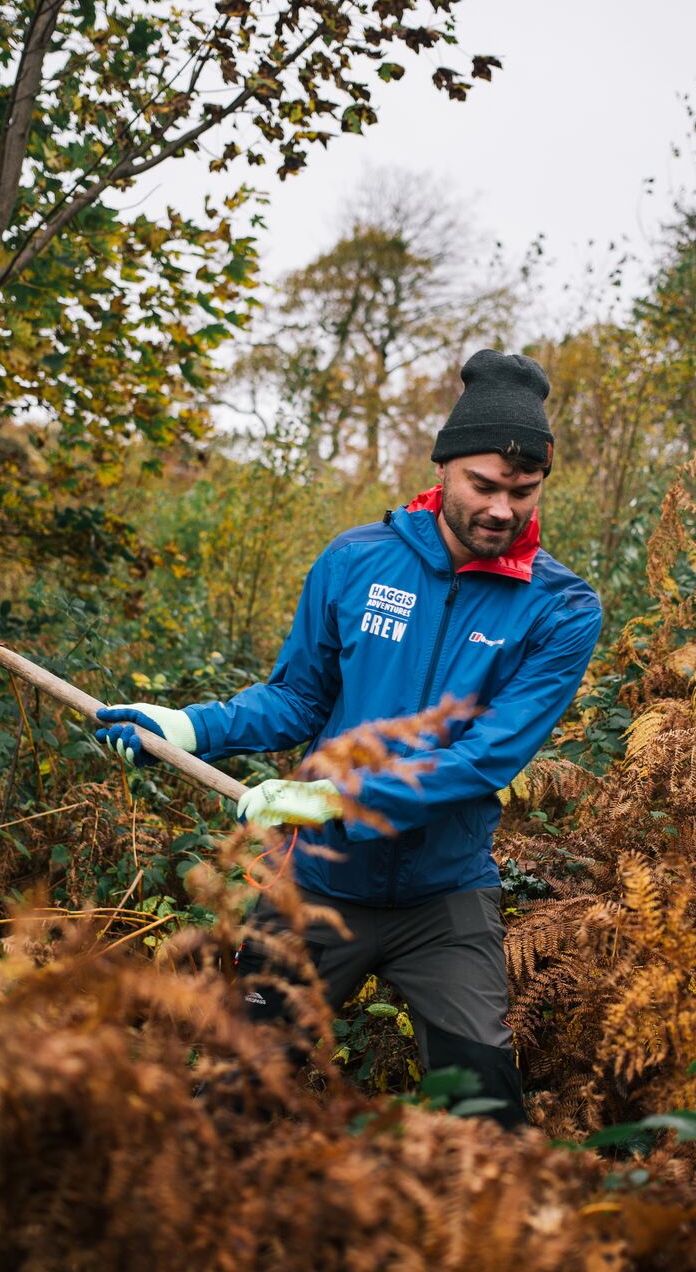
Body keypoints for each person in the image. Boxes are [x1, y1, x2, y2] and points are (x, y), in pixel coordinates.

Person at [93, 349, 603, 1128]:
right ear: (444, 472)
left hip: (445, 895)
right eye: (485, 487)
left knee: (486, 1114)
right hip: (315, 888)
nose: (503, 509)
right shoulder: (356, 561)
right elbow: (298, 699)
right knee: (238, 1095)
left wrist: (339, 797)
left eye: (523, 492)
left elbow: (482, 760)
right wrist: (189, 725)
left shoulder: (561, 609)